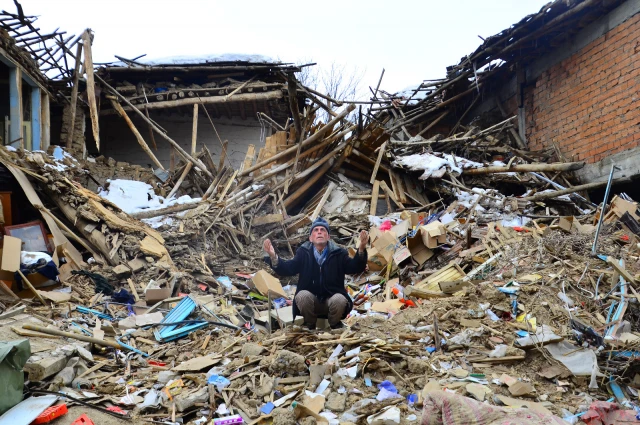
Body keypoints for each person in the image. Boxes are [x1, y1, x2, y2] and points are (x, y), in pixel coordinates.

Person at [263, 217, 369, 329]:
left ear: (328, 237)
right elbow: (287, 269)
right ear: (310, 238)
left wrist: (361, 248)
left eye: (323, 230)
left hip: (331, 302)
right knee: (302, 295)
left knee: (340, 299)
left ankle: (334, 326)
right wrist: (273, 256)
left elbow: (355, 267)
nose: (319, 232)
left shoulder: (338, 254)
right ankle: (310, 325)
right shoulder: (303, 253)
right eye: (316, 230)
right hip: (311, 303)